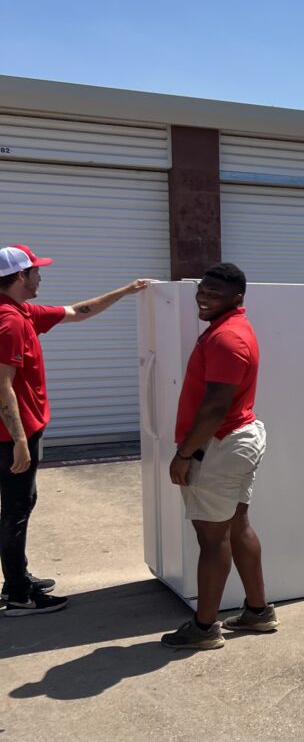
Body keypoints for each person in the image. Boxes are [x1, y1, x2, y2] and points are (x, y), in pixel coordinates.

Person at [0, 244, 148, 616]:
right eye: (36, 270)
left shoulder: (21, 312)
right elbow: (1, 384)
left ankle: (17, 577)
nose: (41, 275)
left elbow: (77, 312)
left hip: (18, 431)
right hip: (11, 435)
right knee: (15, 510)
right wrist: (19, 441)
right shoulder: (11, 322)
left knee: (18, 507)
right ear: (20, 277)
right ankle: (19, 595)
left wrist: (126, 291)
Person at [160, 263, 276, 650]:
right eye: (202, 290)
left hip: (220, 445)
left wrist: (184, 454)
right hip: (237, 438)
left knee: (212, 540)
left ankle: (205, 627)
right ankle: (259, 612)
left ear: (237, 298)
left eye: (214, 293)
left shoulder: (227, 339)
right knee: (237, 525)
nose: (204, 298)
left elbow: (214, 407)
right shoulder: (226, 331)